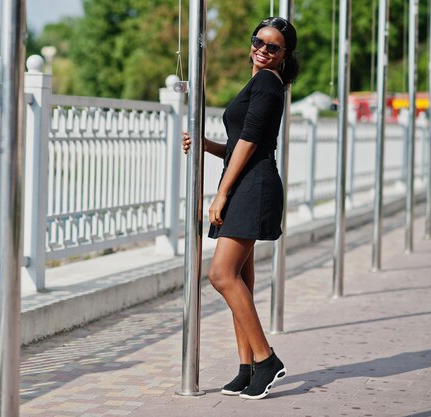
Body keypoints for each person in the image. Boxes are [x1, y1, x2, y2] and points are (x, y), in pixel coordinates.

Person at [182, 17, 299, 400]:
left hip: (254, 187)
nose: (263, 50)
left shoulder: (267, 82)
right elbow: (239, 142)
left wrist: (222, 194)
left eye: (273, 47)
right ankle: (248, 368)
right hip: (249, 183)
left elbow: (250, 142)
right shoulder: (258, 82)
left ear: (283, 56)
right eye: (259, 42)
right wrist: (206, 145)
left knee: (221, 275)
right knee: (242, 281)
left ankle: (266, 360)